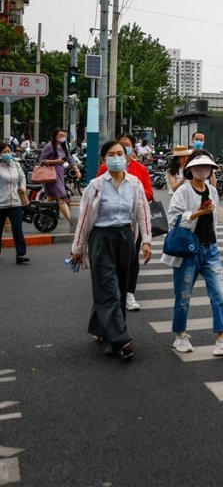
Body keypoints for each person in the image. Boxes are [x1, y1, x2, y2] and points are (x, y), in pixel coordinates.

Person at [71, 140, 152, 360]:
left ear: (127, 156)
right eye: (112, 154)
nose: (117, 157)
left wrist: (146, 240)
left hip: (125, 238)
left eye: (121, 153)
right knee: (107, 287)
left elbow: (142, 213)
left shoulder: (134, 183)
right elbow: (85, 219)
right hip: (101, 239)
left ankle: (101, 327)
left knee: (119, 287)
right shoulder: (96, 185)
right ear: (104, 159)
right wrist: (77, 248)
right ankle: (120, 339)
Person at [162, 150, 223, 356]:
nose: (202, 170)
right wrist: (198, 212)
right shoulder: (183, 192)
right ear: (189, 169)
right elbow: (174, 221)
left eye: (206, 167)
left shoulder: (212, 191)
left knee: (220, 294)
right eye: (198, 167)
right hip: (188, 251)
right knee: (183, 296)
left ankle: (222, 338)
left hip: (211, 249)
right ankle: (180, 335)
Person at [96, 133, 155, 312]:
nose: (120, 152)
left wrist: (134, 195)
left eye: (125, 147)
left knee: (131, 259)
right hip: (106, 227)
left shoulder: (140, 170)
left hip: (131, 224)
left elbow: (149, 193)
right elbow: (93, 200)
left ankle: (129, 292)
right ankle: (112, 294)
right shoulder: (103, 171)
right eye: (118, 147)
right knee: (109, 266)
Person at [39, 128, 82, 222]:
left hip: (59, 175)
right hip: (51, 176)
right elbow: (41, 161)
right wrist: (56, 161)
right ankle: (72, 222)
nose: (63, 137)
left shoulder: (63, 146)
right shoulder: (49, 146)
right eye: (60, 135)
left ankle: (41, 215)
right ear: (55, 136)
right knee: (62, 197)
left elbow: (70, 159)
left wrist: (77, 170)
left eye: (64, 136)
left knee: (51, 197)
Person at [0, 143, 28, 265]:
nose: (7, 154)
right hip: (1, 204)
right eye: (4, 152)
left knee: (17, 228)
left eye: (8, 151)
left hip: (16, 203)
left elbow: (22, 178)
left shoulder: (16, 165)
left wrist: (22, 187)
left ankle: (20, 254)